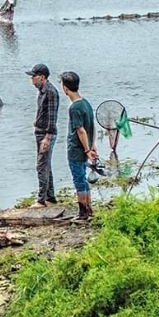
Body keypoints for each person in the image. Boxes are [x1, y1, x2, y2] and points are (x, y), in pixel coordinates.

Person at [61, 71, 97, 221]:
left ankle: (83, 212)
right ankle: (89, 209)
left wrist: (87, 149)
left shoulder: (74, 108)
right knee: (83, 178)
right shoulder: (86, 103)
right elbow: (92, 126)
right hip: (85, 147)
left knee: (78, 180)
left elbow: (81, 130)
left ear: (65, 88)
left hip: (77, 149)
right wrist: (92, 145)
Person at [30, 64, 60, 206]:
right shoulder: (42, 91)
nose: (32, 80)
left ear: (42, 77)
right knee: (45, 164)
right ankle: (50, 196)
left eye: (34, 77)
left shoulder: (50, 91)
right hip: (39, 131)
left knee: (41, 165)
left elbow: (53, 117)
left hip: (46, 135)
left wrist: (47, 138)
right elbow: (43, 111)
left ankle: (41, 200)